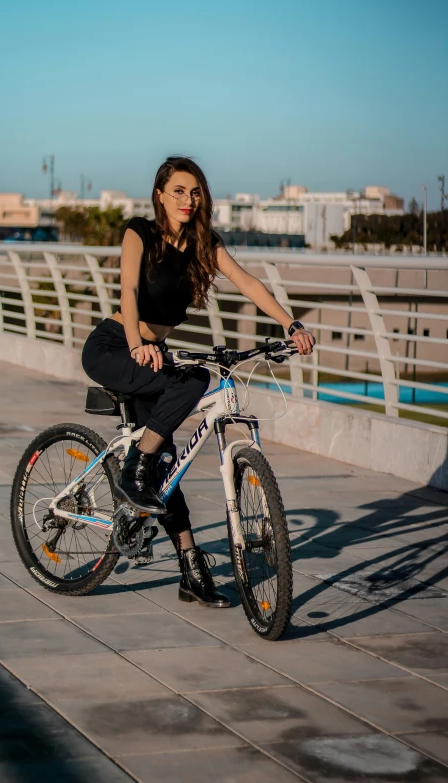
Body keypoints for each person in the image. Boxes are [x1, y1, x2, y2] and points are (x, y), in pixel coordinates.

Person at [82, 156, 315, 607]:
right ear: (159, 195)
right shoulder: (140, 232)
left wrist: (290, 325)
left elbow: (247, 282)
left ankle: (191, 568)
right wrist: (135, 344)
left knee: (165, 463)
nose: (188, 200)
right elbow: (128, 292)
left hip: (152, 353)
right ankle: (135, 468)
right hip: (114, 345)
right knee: (191, 384)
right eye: (178, 191)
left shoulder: (204, 243)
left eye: (195, 192)